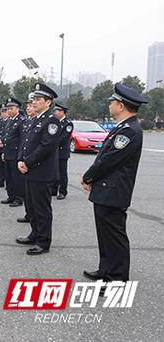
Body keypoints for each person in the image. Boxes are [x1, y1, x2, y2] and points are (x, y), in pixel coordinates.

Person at [81, 83, 147, 286]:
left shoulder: (130, 131)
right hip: (106, 190)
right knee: (105, 234)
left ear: (121, 105)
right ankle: (105, 269)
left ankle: (117, 279)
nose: (109, 104)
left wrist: (88, 176)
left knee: (115, 237)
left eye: (112, 102)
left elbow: (108, 160)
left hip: (114, 192)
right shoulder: (123, 127)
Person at [16, 83, 60, 255]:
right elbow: (26, 142)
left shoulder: (52, 120)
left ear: (48, 102)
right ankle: (34, 234)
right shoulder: (36, 118)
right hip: (30, 170)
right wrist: (21, 159)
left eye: (38, 99)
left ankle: (43, 241)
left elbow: (46, 147)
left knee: (42, 208)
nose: (33, 102)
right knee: (32, 207)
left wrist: (27, 163)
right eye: (33, 99)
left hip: (42, 172)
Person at [1, 97, 25, 207]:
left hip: (16, 154)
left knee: (17, 178)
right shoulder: (9, 121)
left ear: (17, 109)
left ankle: (19, 198)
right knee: (9, 177)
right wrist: (3, 152)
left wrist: (20, 157)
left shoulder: (21, 121)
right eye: (8, 109)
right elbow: (7, 138)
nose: (9, 111)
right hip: (8, 153)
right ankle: (11, 196)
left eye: (11, 108)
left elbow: (22, 140)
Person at [17, 94, 36, 224]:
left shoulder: (44, 122)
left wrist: (27, 162)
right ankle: (28, 214)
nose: (29, 108)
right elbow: (22, 143)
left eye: (31, 105)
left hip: (34, 164)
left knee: (36, 199)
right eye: (27, 106)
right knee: (27, 194)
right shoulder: (27, 122)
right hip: (25, 163)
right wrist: (20, 159)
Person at [51, 102, 74, 200]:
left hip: (62, 152)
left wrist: (51, 144)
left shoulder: (68, 123)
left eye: (57, 111)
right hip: (54, 151)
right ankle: (54, 189)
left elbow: (63, 138)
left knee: (62, 172)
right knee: (54, 171)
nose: (55, 112)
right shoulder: (55, 122)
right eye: (55, 110)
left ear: (62, 112)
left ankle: (63, 191)